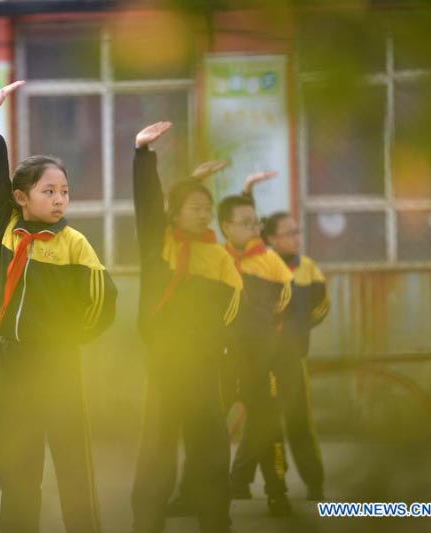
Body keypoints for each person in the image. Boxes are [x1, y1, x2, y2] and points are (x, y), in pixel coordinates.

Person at [0, 81, 117, 533]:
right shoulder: (6, 228)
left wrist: (67, 338)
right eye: (49, 191)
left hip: (58, 364)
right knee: (20, 468)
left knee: (73, 463)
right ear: (21, 198)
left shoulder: (74, 244)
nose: (59, 200)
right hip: (11, 363)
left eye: (64, 192)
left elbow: (102, 302)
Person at [129, 122, 241, 533]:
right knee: (157, 448)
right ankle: (147, 523)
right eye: (195, 208)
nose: (204, 213)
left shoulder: (217, 255)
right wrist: (144, 154)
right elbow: (150, 204)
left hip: (205, 366)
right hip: (165, 364)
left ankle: (216, 521)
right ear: (176, 214)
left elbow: (232, 306)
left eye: (207, 208)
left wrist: (217, 345)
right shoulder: (159, 244)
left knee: (210, 449)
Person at [229, 173, 330, 501]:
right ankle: (258, 484)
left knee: (299, 422)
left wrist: (297, 332)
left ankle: (313, 481)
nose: (296, 238)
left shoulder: (308, 268)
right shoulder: (260, 265)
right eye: (288, 233)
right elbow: (249, 228)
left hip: (291, 359)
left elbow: (321, 307)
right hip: (261, 357)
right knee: (262, 423)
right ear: (270, 238)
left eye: (297, 231)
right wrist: (247, 192)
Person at [217, 191, 294, 516]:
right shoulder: (214, 260)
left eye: (256, 222)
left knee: (267, 427)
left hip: (261, 360)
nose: (254, 228)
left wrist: (267, 335)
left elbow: (286, 301)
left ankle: (277, 492)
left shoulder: (269, 260)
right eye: (245, 223)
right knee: (207, 425)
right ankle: (199, 490)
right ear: (225, 227)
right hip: (222, 358)